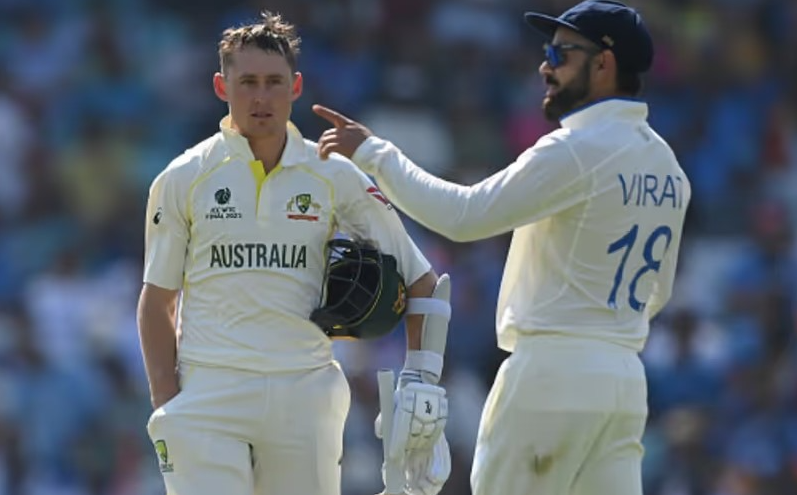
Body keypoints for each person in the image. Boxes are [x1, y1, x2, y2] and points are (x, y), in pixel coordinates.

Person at [312, 1, 691, 494]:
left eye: (562, 53)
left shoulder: (576, 149)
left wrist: (373, 152)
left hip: (551, 375)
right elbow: (657, 294)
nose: (545, 65)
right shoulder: (668, 167)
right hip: (622, 382)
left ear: (604, 63)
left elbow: (464, 217)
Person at [137, 11, 450, 495]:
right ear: (222, 87)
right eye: (247, 83)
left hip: (306, 393)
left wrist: (421, 383)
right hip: (208, 390)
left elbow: (422, 281)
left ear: (296, 86)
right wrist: (167, 403)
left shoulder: (335, 176)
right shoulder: (183, 177)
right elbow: (157, 301)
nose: (261, 97)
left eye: (274, 82)